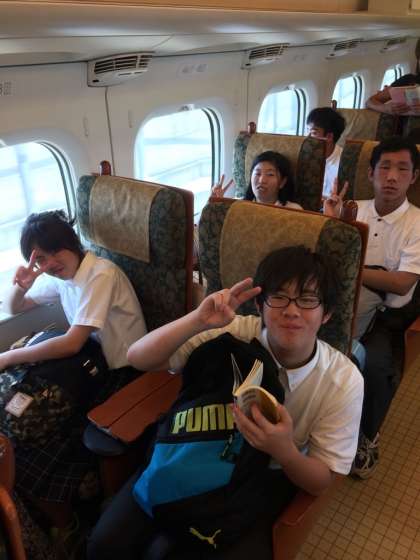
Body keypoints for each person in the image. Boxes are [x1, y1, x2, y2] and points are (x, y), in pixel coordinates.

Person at [87, 245, 363, 560]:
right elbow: (138, 358)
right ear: (259, 305)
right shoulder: (232, 332)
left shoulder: (344, 381)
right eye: (279, 297)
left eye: (308, 300)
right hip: (194, 447)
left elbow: (321, 481)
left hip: (263, 477)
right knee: (105, 545)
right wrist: (197, 320)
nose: (292, 310)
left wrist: (284, 450)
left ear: (326, 313)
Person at [0, 210, 148, 533]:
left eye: (54, 251)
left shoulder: (100, 275)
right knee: (24, 429)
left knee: (47, 430)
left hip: (125, 371)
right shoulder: (65, 278)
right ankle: (65, 512)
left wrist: (8, 358)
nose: (50, 263)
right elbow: (14, 307)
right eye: (40, 258)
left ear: (71, 243)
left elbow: (71, 343)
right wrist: (21, 286)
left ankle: (75, 514)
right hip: (93, 365)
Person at [324, 136, 420, 478]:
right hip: (343, 302)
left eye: (402, 169)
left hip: (389, 315)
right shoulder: (352, 210)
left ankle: (368, 435)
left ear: (414, 177)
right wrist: (331, 225)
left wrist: (352, 268)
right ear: (370, 173)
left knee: (378, 368)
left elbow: (402, 283)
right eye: (385, 167)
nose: (392, 177)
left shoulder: (417, 223)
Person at [211, 150, 302, 209]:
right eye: (257, 174)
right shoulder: (236, 205)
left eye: (270, 174)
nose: (262, 180)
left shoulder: (294, 210)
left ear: (282, 182)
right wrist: (215, 205)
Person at [306, 107, 346, 198]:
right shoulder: (304, 157)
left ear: (329, 137)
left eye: (313, 133)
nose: (307, 138)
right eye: (307, 130)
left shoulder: (343, 164)